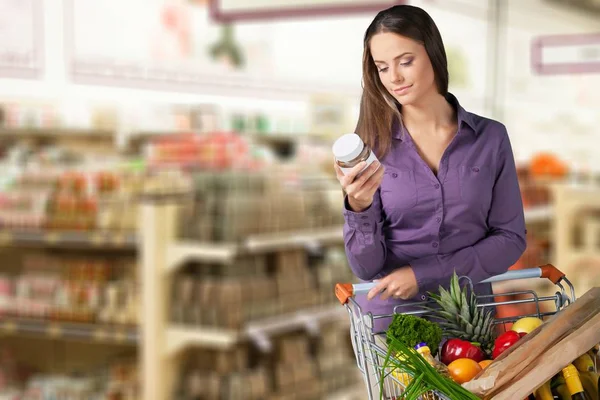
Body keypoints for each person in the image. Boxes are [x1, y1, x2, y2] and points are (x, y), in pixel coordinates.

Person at [335, 5, 527, 333]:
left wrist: (424, 274)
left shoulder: (490, 138)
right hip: (394, 327)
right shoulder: (372, 146)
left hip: (470, 322)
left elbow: (510, 238)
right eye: (382, 68)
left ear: (433, 53)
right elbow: (366, 268)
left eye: (405, 61)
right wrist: (359, 207)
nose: (394, 78)